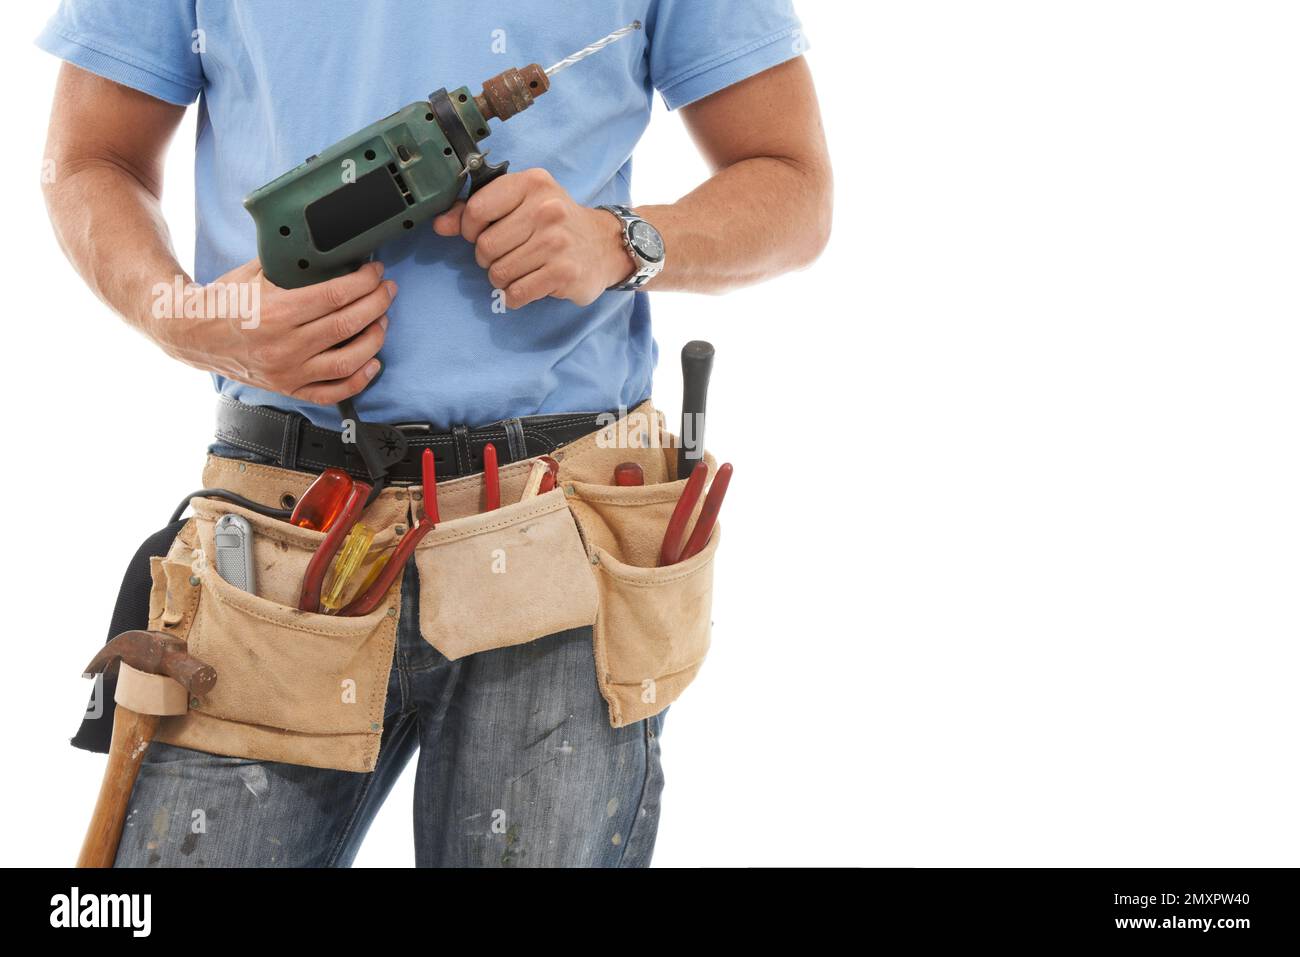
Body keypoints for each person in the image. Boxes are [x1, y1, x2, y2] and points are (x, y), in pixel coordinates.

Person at [39, 0, 832, 867]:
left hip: (560, 537)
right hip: (278, 540)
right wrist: (187, 318)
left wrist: (621, 242)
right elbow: (89, 158)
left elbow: (793, 184)